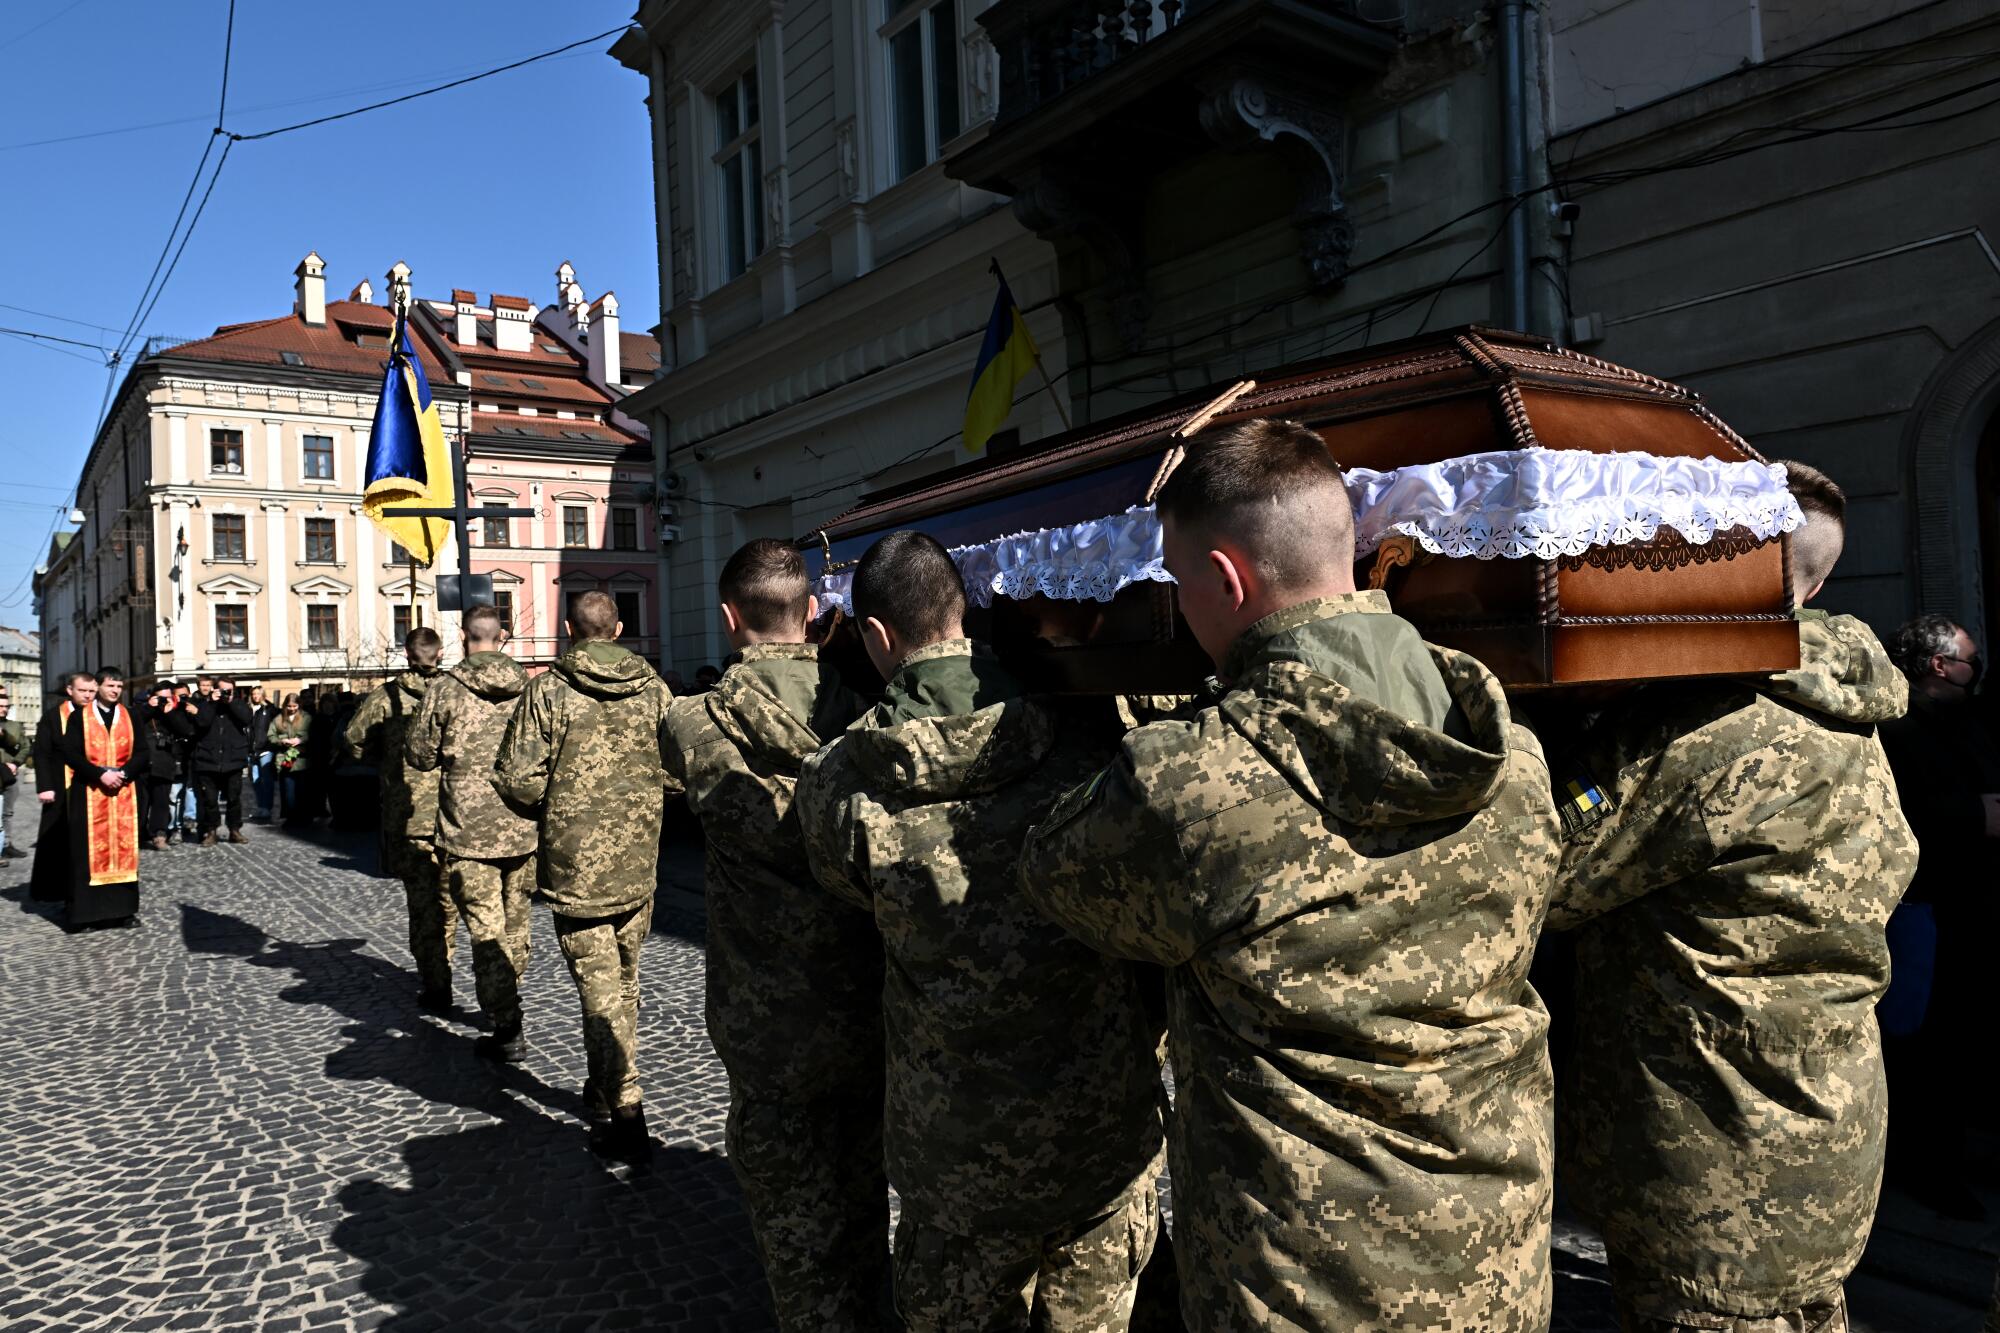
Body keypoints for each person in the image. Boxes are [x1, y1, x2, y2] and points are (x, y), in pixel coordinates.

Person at [1014, 421, 1559, 1332]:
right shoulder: (1513, 755)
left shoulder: (1192, 783)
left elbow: (1055, 873)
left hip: (1303, 1282)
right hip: (1494, 1254)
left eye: (1180, 585)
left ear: (1227, 579)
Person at [1530, 458, 1917, 1329]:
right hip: (1826, 1128)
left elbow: (1538, 878)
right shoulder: (1851, 712)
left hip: (1717, 1168)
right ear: (1818, 585)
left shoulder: (1711, 724)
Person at [797, 531, 1165, 1333]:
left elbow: (844, 888)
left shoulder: (838, 783)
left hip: (954, 1156)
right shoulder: (1087, 729)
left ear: (878, 636)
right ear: (963, 610)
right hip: (1098, 1136)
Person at [663, 540, 885, 1331]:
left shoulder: (693, 722)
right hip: (869, 999)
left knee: (795, 1219)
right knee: (866, 1183)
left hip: (767, 1018)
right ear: (815, 614)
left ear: (730, 617)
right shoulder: (870, 711)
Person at [496, 590, 673, 1162]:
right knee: (624, 979)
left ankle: (625, 1109)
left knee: (599, 988)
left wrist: (555, 806)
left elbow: (518, 779)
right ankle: (604, 1085)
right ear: (618, 628)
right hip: (639, 859)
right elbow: (678, 772)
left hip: (576, 867)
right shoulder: (655, 689)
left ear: (571, 628)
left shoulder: (547, 690)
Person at [1879, 610, 1999, 1221]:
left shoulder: (1966, 720)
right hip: (1927, 909)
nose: (1976, 672)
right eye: (1969, 662)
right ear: (1938, 666)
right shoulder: (1896, 731)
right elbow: (1906, 816)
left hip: (1975, 905)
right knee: (1929, 1044)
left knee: (1967, 1037)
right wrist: (1977, 816)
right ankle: (1927, 1167)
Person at [405, 606, 537, 1061]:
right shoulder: (533, 688)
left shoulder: (444, 689)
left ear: (464, 637)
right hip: (523, 827)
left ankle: (506, 1023)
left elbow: (420, 756)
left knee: (486, 931)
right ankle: (508, 998)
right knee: (515, 926)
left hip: (468, 832)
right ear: (503, 637)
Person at [342, 630, 454, 1012]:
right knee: (450, 902)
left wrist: (388, 765)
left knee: (422, 905)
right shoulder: (455, 693)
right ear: (441, 653)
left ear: (406, 653)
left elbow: (355, 740)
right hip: (456, 816)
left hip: (408, 818)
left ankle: (436, 980)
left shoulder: (384, 699)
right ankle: (450, 965)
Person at [35, 669, 149, 926]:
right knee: (85, 854)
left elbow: (142, 751)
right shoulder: (80, 717)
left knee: (124, 851)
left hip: (123, 794)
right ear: (99, 686)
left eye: (119, 686)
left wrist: (125, 773)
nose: (116, 690)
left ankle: (123, 911)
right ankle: (86, 914)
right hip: (88, 793)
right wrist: (100, 775)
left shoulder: (130, 716)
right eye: (111, 685)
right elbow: (70, 753)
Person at [173, 676, 253, 846]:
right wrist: (212, 703)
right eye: (221, 690)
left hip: (233, 760)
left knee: (234, 798)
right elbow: (202, 722)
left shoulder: (239, 704)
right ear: (214, 690)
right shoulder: (203, 705)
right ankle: (211, 831)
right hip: (207, 760)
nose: (225, 693)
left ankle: (234, 829)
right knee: (209, 800)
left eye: (228, 691)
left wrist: (230, 701)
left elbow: (246, 719)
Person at [138, 681, 183, 851]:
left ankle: (159, 835)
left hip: (164, 764)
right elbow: (133, 723)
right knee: (141, 804)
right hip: (142, 765)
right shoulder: (143, 711)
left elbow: (185, 730)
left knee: (161, 803)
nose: (163, 701)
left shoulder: (174, 714)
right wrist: (149, 708)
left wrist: (170, 713)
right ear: (152, 697)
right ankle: (139, 835)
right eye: (160, 698)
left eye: (167, 698)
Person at [269, 694, 312, 826]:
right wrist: (282, 741)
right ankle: (290, 817)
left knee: (302, 791)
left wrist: (300, 740)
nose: (292, 709)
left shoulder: (306, 717)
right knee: (288, 792)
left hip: (301, 760)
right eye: (289, 706)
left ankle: (304, 817)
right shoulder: (279, 719)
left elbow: (312, 733)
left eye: (295, 706)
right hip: (285, 760)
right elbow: (271, 735)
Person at [0, 686, 28, 859]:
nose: (4, 709)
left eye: (6, 706)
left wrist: (16, 763)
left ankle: (6, 844)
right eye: (0, 706)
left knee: (7, 813)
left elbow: (25, 746)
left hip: (9, 775)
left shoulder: (14, 726)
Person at [246, 685, 278, 822]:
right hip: (251, 751)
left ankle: (267, 808)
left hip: (265, 749)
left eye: (258, 693)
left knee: (266, 780)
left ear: (263, 694)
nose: (255, 696)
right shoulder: (248, 710)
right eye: (253, 694)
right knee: (255, 780)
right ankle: (260, 806)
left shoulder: (269, 709)